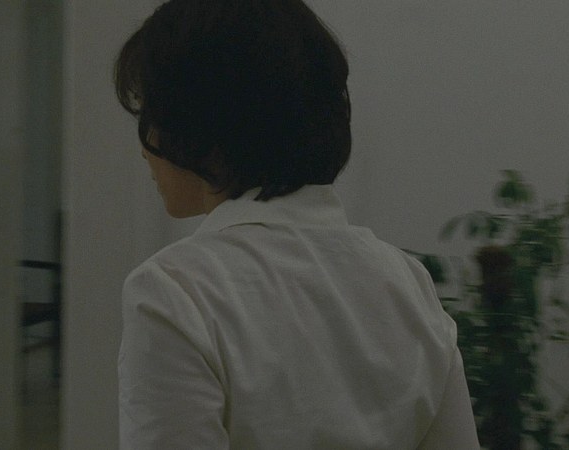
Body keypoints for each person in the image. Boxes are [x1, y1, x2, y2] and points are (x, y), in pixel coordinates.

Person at [114, 0, 479, 448]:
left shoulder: (174, 293)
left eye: (150, 115)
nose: (145, 147)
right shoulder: (407, 284)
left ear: (198, 125)